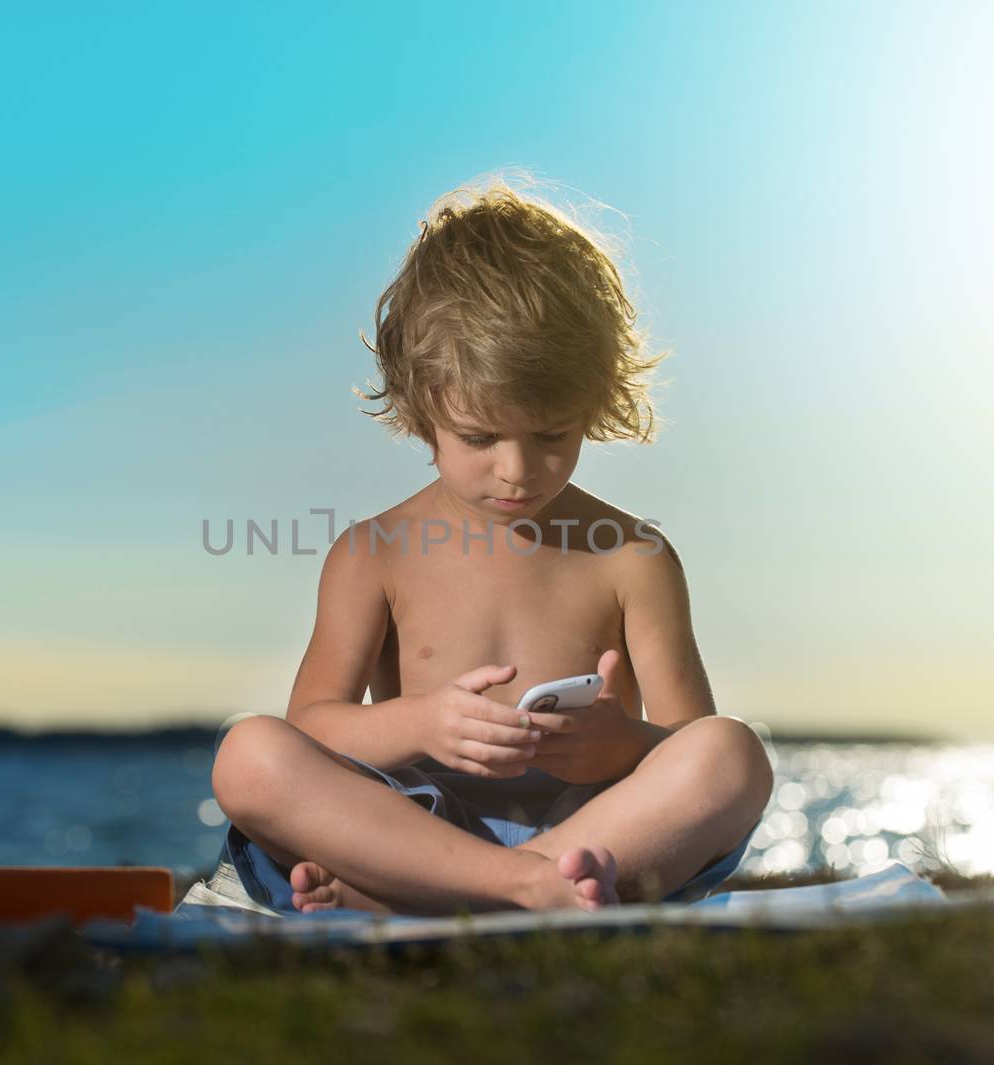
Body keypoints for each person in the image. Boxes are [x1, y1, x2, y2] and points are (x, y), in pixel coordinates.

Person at [209, 177, 773, 915]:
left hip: (593, 832)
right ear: (418, 411)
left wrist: (620, 745)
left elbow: (685, 740)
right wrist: (420, 723)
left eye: (551, 435)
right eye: (479, 438)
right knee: (249, 754)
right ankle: (518, 889)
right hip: (411, 827)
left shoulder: (633, 557)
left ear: (593, 405)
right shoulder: (372, 552)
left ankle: (438, 896)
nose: (516, 470)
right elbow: (314, 724)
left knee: (734, 754)